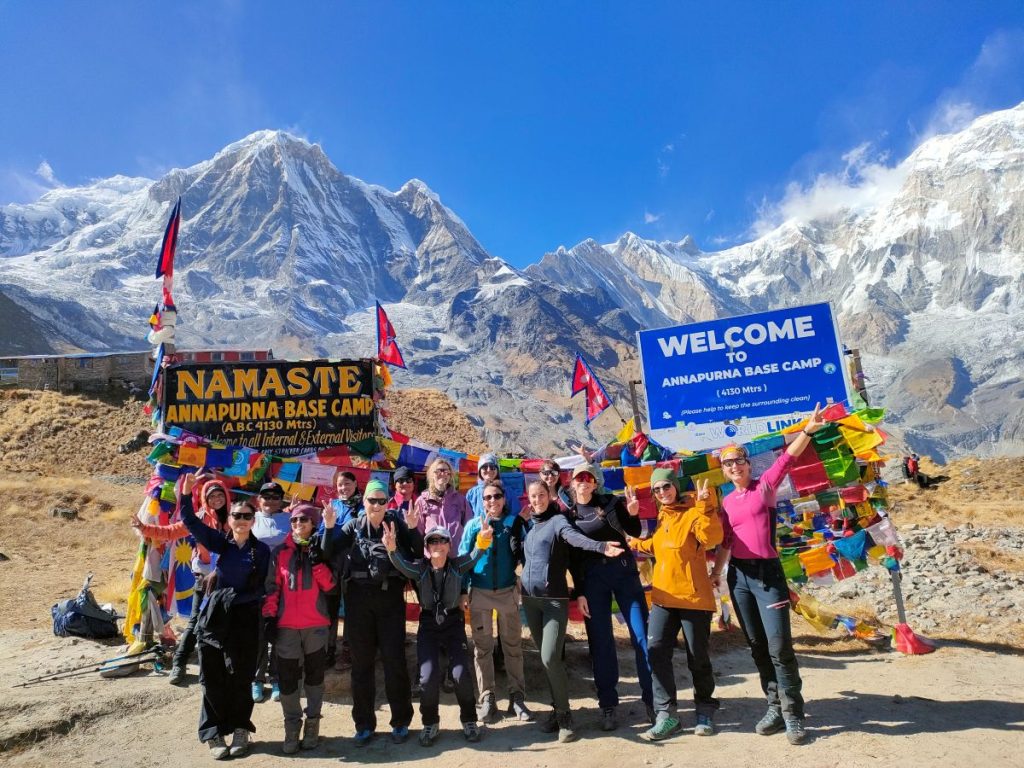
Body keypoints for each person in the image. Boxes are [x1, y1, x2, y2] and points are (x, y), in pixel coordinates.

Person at [710, 403, 827, 746]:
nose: (734, 466)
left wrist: (807, 430)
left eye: (738, 461)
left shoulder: (765, 486)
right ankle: (774, 707)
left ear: (748, 464)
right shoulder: (727, 502)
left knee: (779, 647)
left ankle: (793, 714)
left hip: (768, 576)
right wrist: (716, 573)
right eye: (728, 463)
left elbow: (787, 459)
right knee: (758, 647)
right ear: (724, 470)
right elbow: (726, 541)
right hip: (739, 579)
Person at [518, 479, 623, 743]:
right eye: (533, 496)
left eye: (541, 495)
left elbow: (574, 539)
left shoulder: (558, 522)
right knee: (548, 660)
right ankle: (557, 710)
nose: (537, 500)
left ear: (549, 496)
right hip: (530, 601)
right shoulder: (530, 527)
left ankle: (565, 718)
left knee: (550, 656)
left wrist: (600, 546)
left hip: (554, 601)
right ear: (528, 499)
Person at [179, 471, 271, 760]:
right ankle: (213, 733)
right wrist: (186, 494)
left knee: (241, 675)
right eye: (236, 516)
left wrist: (236, 598)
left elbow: (260, 588)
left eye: (246, 516)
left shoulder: (261, 551)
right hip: (215, 618)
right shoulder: (221, 543)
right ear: (229, 519)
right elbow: (190, 521)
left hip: (245, 617)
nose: (241, 520)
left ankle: (241, 729)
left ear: (253, 520)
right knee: (211, 675)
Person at [323, 479, 422, 747]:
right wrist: (329, 527)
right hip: (358, 602)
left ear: (388, 503)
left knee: (394, 662)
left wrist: (413, 528)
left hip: (390, 601)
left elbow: (417, 551)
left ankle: (400, 721)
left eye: (381, 500)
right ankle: (364, 724)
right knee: (361, 665)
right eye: (371, 500)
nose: (376, 505)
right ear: (363, 501)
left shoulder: (396, 523)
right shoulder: (353, 526)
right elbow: (328, 552)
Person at [630, 471, 722, 741]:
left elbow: (712, 537)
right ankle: (666, 714)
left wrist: (706, 507)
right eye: (657, 489)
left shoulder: (694, 513)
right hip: (663, 597)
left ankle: (705, 709)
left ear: (676, 486)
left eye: (666, 486)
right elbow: (660, 547)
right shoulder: (663, 516)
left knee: (698, 656)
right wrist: (632, 542)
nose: (662, 492)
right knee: (656, 651)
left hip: (694, 598)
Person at [384, 520, 492, 746]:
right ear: (427, 547)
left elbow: (476, 555)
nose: (438, 545)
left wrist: (482, 539)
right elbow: (401, 565)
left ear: (449, 545)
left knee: (461, 674)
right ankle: (430, 722)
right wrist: (392, 549)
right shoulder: (420, 569)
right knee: (428, 676)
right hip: (428, 625)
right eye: (432, 541)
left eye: (442, 540)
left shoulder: (457, 566)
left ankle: (469, 720)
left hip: (453, 623)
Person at [568, 463, 654, 730]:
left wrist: (634, 514)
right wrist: (579, 592)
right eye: (579, 478)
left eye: (588, 477)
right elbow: (573, 559)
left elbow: (634, 532)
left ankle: (654, 700)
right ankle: (608, 704)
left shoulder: (611, 503)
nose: (584, 481)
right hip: (593, 580)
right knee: (600, 641)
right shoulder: (569, 516)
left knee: (641, 635)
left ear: (595, 483)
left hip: (623, 573)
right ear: (572, 483)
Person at [131, 474, 230, 686]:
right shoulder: (198, 519)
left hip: (229, 580)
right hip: (205, 579)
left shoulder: (235, 519)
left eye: (220, 495)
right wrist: (144, 528)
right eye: (212, 496)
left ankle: (222, 667)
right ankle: (179, 663)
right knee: (195, 622)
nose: (217, 499)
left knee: (227, 623)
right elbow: (170, 531)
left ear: (227, 496)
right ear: (205, 499)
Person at [459, 479, 533, 723]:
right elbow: (463, 558)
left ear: (504, 499)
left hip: (507, 591)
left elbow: (527, 552)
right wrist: (463, 590)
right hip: (480, 592)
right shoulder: (473, 525)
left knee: (512, 646)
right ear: (482, 501)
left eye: (497, 496)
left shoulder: (513, 523)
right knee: (482, 648)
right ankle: (487, 697)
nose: (493, 501)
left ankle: (517, 697)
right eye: (488, 497)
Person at [263, 502, 334, 753]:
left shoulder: (323, 549)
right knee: (288, 679)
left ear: (313, 523)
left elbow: (330, 586)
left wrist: (316, 562)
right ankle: (292, 726)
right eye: (294, 520)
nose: (298, 524)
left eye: (303, 520)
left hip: (316, 625)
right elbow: (272, 588)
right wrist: (270, 616)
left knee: (315, 678)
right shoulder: (280, 552)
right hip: (287, 627)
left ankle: (312, 723)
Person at [319, 470, 363, 670]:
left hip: (354, 565)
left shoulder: (363, 506)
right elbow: (322, 533)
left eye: (347, 483)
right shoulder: (333, 506)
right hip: (332, 565)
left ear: (355, 484)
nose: (343, 488)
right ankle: (328, 650)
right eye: (340, 485)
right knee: (330, 609)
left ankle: (347, 650)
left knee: (353, 610)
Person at [252, 481, 291, 703]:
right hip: (256, 584)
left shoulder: (290, 519)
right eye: (266, 496)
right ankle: (257, 679)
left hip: (282, 584)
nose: (271, 501)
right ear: (259, 499)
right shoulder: (251, 518)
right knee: (258, 633)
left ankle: (276, 677)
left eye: (276, 497)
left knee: (279, 632)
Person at [466, 453, 522, 519]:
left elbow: (515, 514)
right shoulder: (472, 493)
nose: (489, 470)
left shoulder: (508, 491)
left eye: (492, 467)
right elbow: (467, 518)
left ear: (497, 470)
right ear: (479, 471)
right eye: (484, 467)